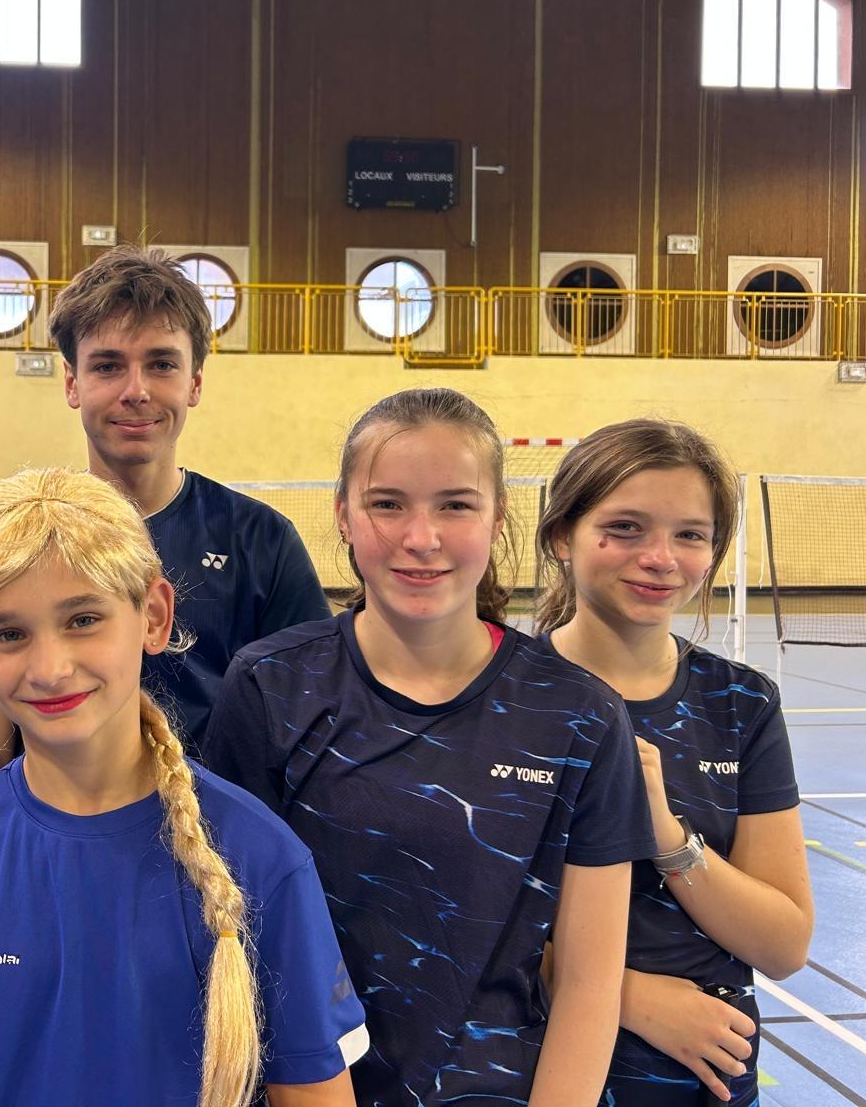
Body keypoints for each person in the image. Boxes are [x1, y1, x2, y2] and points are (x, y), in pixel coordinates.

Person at [0, 468, 369, 1107]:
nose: (50, 669)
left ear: (153, 616)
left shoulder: (262, 860)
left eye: (83, 620)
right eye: (9, 633)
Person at [204, 387, 655, 1106]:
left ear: (498, 518)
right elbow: (238, 941)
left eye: (455, 505)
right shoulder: (269, 686)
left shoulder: (580, 715)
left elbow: (589, 981)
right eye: (387, 504)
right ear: (343, 515)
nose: (421, 537)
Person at [0, 246, 331, 787]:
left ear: (195, 382)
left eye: (162, 364)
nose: (136, 391)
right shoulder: (3, 540)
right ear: (72, 382)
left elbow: (307, 731)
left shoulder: (262, 540)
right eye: (107, 366)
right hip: (53, 828)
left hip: (218, 828)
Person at [535, 419, 812, 1106]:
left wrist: (666, 835)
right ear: (563, 535)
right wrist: (625, 995)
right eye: (626, 528)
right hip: (539, 1066)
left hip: (704, 1078)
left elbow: (783, 945)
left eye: (690, 534)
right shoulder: (506, 695)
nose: (660, 558)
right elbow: (454, 926)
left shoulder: (741, 703)